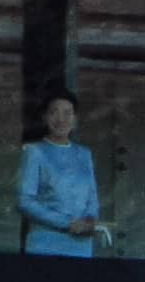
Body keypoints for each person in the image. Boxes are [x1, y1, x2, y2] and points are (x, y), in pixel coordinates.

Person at [17, 90, 100, 258]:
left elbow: (92, 195)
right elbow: (24, 201)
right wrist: (67, 224)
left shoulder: (84, 154)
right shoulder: (35, 152)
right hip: (45, 245)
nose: (60, 119)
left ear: (75, 119)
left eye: (67, 113)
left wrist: (91, 219)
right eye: (54, 112)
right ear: (44, 117)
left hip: (81, 246)